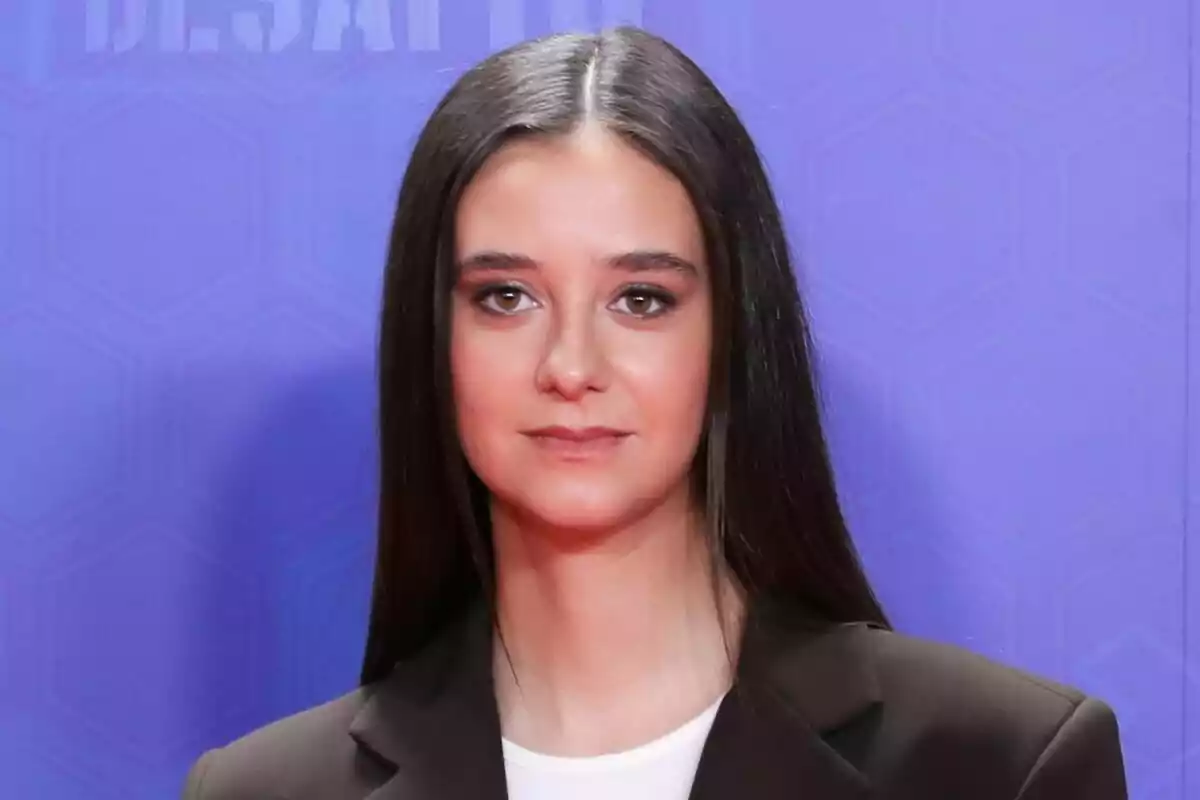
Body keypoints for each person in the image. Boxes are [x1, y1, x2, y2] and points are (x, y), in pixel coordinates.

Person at [182, 26, 1127, 800]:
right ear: (433, 342)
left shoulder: (1000, 764)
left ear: (731, 336)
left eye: (641, 298)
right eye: (507, 297)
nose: (570, 366)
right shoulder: (264, 791)